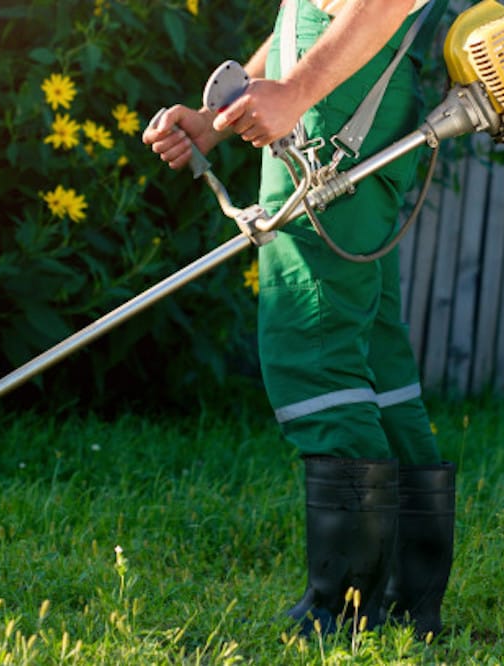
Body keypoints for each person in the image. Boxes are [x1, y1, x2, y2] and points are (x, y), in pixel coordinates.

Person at [142, 0, 456, 639]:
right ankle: (406, 601)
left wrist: (297, 91)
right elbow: (305, 13)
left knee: (314, 343)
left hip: (338, 110)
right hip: (344, 93)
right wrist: (218, 117)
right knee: (373, 355)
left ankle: (342, 609)